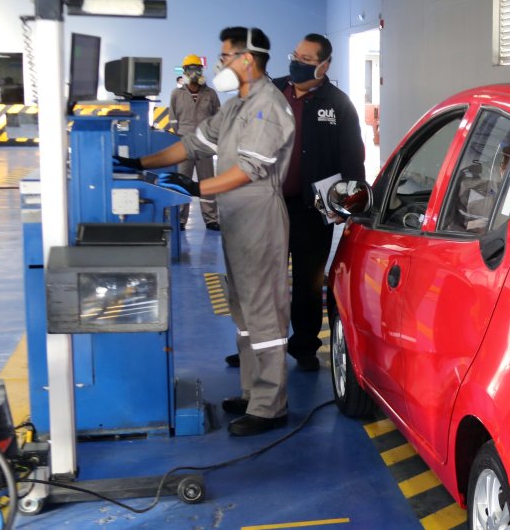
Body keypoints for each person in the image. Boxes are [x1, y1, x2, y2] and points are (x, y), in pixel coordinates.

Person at [115, 27, 295, 437]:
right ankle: (252, 392)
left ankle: (271, 406)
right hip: (235, 215)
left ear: (248, 59)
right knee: (243, 311)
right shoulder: (235, 106)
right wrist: (140, 164)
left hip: (259, 214)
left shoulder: (268, 105)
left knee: (263, 312)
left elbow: (249, 169)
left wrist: (197, 189)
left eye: (225, 56)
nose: (219, 64)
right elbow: (192, 144)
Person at [273, 33, 364, 371]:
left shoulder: (338, 104)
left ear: (324, 66)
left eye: (307, 60)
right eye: (295, 56)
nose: (297, 63)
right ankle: (258, 347)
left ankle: (305, 346)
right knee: (263, 280)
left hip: (312, 209)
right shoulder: (272, 92)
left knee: (308, 282)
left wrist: (350, 202)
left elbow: (352, 158)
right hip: (268, 205)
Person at [169, 54, 221, 231]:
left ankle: (211, 219)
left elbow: (218, 118)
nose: (194, 72)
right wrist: (181, 136)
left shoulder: (210, 94)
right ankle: (180, 219)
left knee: (207, 182)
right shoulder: (176, 94)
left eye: (197, 68)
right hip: (184, 145)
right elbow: (173, 119)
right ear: (184, 71)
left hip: (205, 146)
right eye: (190, 69)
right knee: (182, 181)